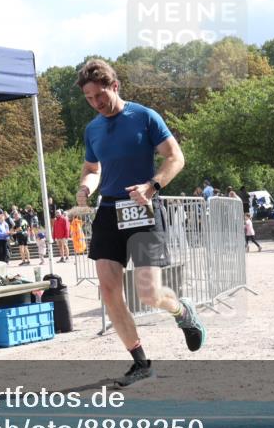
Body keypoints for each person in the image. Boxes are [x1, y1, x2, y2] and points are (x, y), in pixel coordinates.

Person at [75, 58, 205, 387]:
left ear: (114, 86)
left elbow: (175, 157)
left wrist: (152, 185)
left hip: (143, 208)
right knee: (108, 288)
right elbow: (93, 169)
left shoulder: (145, 117)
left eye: (99, 96)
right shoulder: (93, 129)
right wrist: (85, 188)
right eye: (89, 99)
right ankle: (141, 362)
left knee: (148, 293)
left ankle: (182, 311)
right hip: (109, 209)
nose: (96, 103)